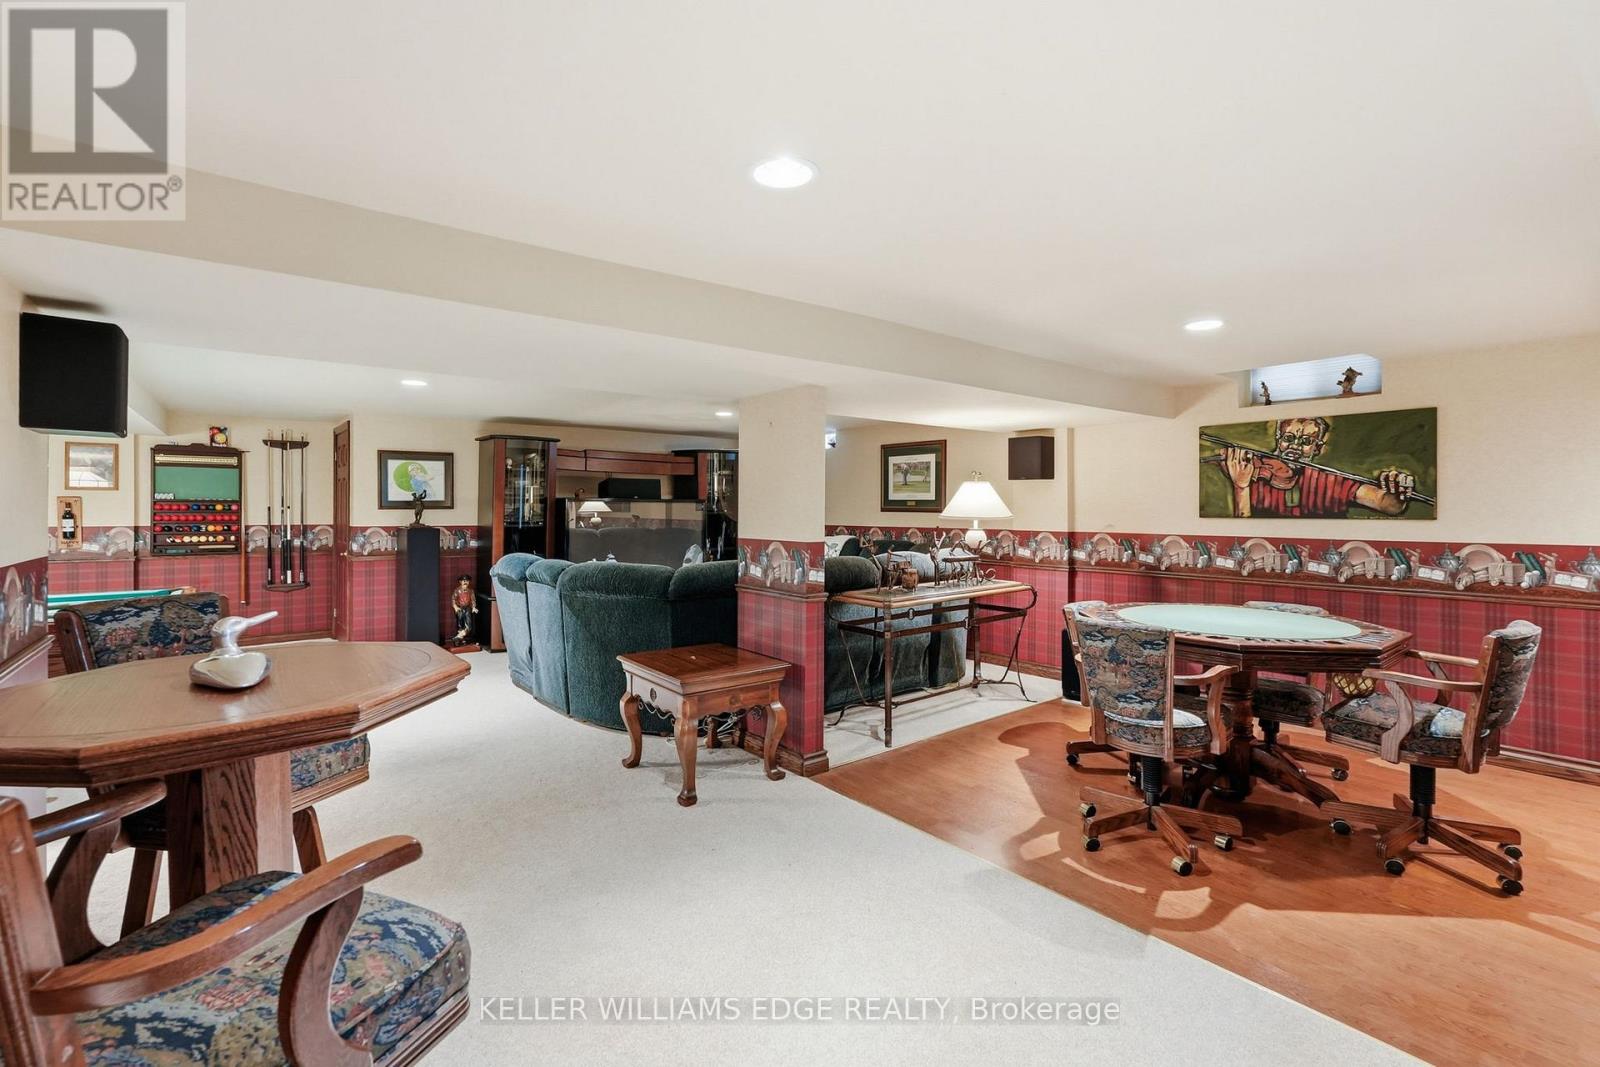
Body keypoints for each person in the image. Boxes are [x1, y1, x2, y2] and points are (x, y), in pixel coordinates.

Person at [1222, 417, 1415, 518]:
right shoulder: (1251, 471)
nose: (1295, 447)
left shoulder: (1328, 480)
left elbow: (1385, 504)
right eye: (1288, 438)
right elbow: (1242, 532)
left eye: (1306, 441)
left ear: (1317, 448)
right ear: (1279, 440)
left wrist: (1397, 494)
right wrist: (1241, 486)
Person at [451, 575, 478, 644]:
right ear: (460, 582)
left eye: (467, 581)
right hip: (460, 608)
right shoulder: (457, 590)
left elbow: (473, 600)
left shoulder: (471, 591)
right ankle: (460, 639)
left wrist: (473, 607)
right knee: (460, 624)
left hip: (467, 608)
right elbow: (453, 599)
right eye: (464, 581)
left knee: (468, 626)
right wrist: (455, 607)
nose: (465, 582)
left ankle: (458, 637)